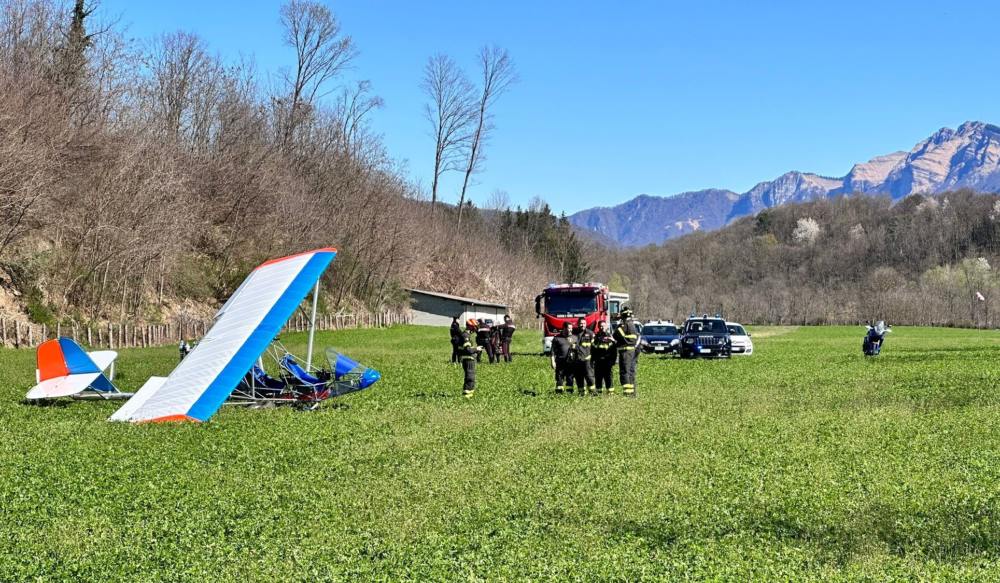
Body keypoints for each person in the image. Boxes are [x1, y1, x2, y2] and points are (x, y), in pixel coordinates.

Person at [613, 306, 639, 397]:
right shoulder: (632, 324)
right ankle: (632, 393)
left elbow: (616, 334)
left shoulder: (624, 326)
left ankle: (627, 393)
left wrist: (618, 325)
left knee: (624, 372)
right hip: (632, 351)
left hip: (625, 352)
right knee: (631, 372)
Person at [457, 319, 482, 397]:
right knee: (470, 377)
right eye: (475, 327)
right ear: (471, 327)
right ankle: (467, 395)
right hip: (468, 359)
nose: (476, 329)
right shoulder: (466, 336)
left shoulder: (467, 335)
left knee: (470, 376)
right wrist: (476, 349)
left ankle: (469, 394)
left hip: (469, 359)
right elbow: (468, 350)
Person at [550, 322, 576, 394]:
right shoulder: (557, 338)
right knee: (559, 378)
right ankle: (559, 394)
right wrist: (552, 361)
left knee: (570, 378)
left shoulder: (574, 338)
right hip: (560, 362)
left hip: (570, 363)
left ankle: (569, 393)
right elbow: (552, 351)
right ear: (564, 328)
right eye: (569, 328)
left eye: (571, 328)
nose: (570, 330)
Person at [592, 320, 616, 394]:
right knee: (598, 378)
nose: (602, 327)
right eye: (601, 326)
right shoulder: (596, 337)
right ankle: (599, 393)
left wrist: (613, 361)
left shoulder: (610, 336)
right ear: (598, 327)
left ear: (606, 327)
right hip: (598, 362)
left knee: (608, 378)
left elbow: (614, 351)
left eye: (603, 326)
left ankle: (610, 393)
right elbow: (593, 349)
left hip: (608, 362)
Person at [573, 317, 595, 395]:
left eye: (584, 323)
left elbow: (594, 347)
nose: (582, 325)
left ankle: (592, 393)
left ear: (586, 324)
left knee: (589, 377)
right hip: (577, 360)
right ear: (578, 324)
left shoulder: (590, 334)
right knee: (579, 377)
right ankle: (581, 393)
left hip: (587, 360)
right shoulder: (573, 333)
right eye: (581, 323)